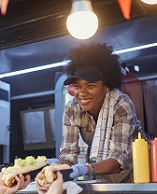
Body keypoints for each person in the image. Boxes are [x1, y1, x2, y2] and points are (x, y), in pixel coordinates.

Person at [59, 42, 143, 183]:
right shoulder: (71, 110)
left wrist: (85, 169)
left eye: (90, 85)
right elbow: (68, 154)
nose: (82, 93)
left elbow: (118, 159)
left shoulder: (121, 104)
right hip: (99, 173)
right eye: (77, 86)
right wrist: (58, 168)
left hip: (133, 172)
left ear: (106, 86)